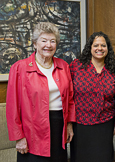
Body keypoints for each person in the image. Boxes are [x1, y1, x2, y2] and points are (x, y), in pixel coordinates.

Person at [6, 22, 75, 162]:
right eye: (43, 41)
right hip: (32, 130)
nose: (48, 45)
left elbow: (70, 99)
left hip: (58, 127)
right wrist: (19, 137)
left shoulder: (64, 66)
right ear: (35, 44)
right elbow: (12, 106)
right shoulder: (19, 68)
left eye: (52, 41)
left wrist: (69, 125)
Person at [69, 31, 115, 162]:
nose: (99, 48)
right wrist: (68, 123)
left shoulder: (114, 69)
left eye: (103, 45)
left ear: (107, 48)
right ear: (90, 48)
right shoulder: (76, 66)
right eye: (96, 45)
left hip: (105, 124)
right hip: (81, 125)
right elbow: (67, 95)